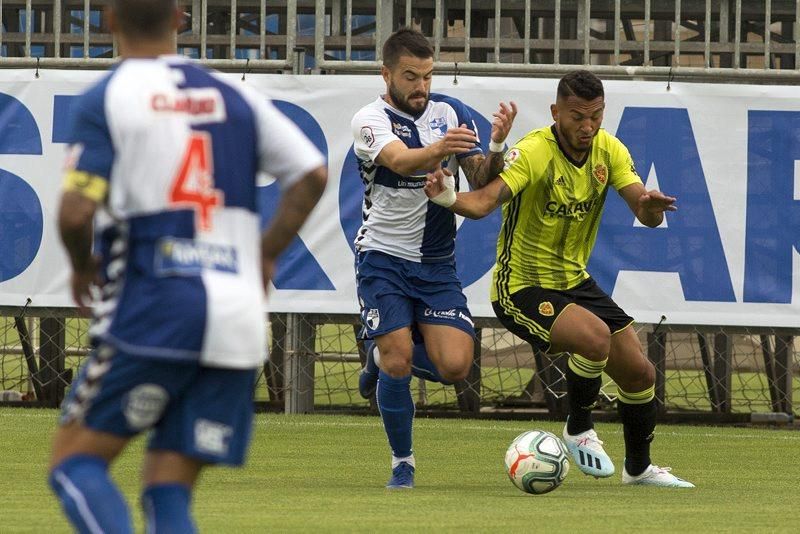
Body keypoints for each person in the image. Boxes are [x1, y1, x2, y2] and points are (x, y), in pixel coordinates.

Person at [48, 1, 328, 532]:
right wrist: (265, 254)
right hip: (236, 319)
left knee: (73, 463)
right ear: (181, 18)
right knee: (168, 490)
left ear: (108, 19)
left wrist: (82, 266)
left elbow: (76, 209)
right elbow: (311, 175)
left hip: (155, 306)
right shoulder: (236, 96)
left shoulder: (108, 97)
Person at [424, 70, 694, 488]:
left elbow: (644, 211)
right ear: (556, 112)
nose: (587, 127)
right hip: (521, 286)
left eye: (596, 116)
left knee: (640, 374)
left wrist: (653, 206)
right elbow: (481, 204)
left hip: (574, 281)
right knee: (595, 337)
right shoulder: (533, 151)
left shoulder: (610, 150)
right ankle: (577, 427)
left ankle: (638, 470)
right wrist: (446, 197)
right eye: (577, 117)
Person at [351, 27, 516, 489]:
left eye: (426, 76)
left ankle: (380, 355)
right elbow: (401, 161)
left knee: (455, 367)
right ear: (386, 74)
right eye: (410, 77)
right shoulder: (369, 119)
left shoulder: (450, 111)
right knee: (401, 358)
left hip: (436, 262)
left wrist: (498, 144)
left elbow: (481, 175)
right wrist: (441, 149)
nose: (420, 87)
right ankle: (403, 462)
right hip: (382, 256)